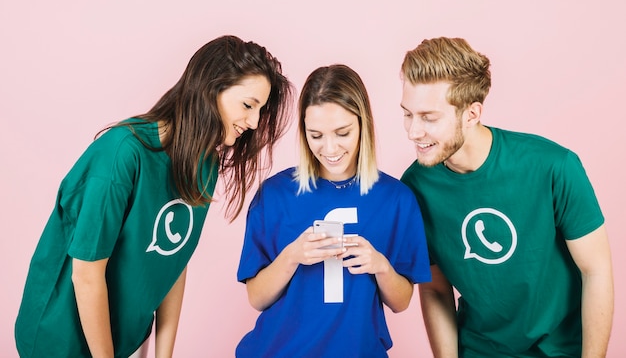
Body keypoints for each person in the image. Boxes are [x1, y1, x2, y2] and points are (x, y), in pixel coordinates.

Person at [15, 35, 294, 358]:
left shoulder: (204, 163)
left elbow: (174, 259)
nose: (255, 122)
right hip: (58, 341)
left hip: (123, 340)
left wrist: (164, 354)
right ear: (210, 88)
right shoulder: (122, 154)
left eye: (260, 110)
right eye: (248, 105)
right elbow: (86, 275)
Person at [399, 37, 614, 358]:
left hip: (560, 351)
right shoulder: (415, 186)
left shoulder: (553, 166)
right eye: (407, 114)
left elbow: (595, 270)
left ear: (472, 114)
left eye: (429, 117)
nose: (413, 131)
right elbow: (435, 289)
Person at [236, 64, 431, 358]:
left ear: (363, 124)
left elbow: (401, 301)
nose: (329, 148)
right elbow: (257, 298)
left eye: (342, 133)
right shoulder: (275, 195)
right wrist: (292, 256)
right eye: (315, 135)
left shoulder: (396, 199)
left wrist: (379, 265)